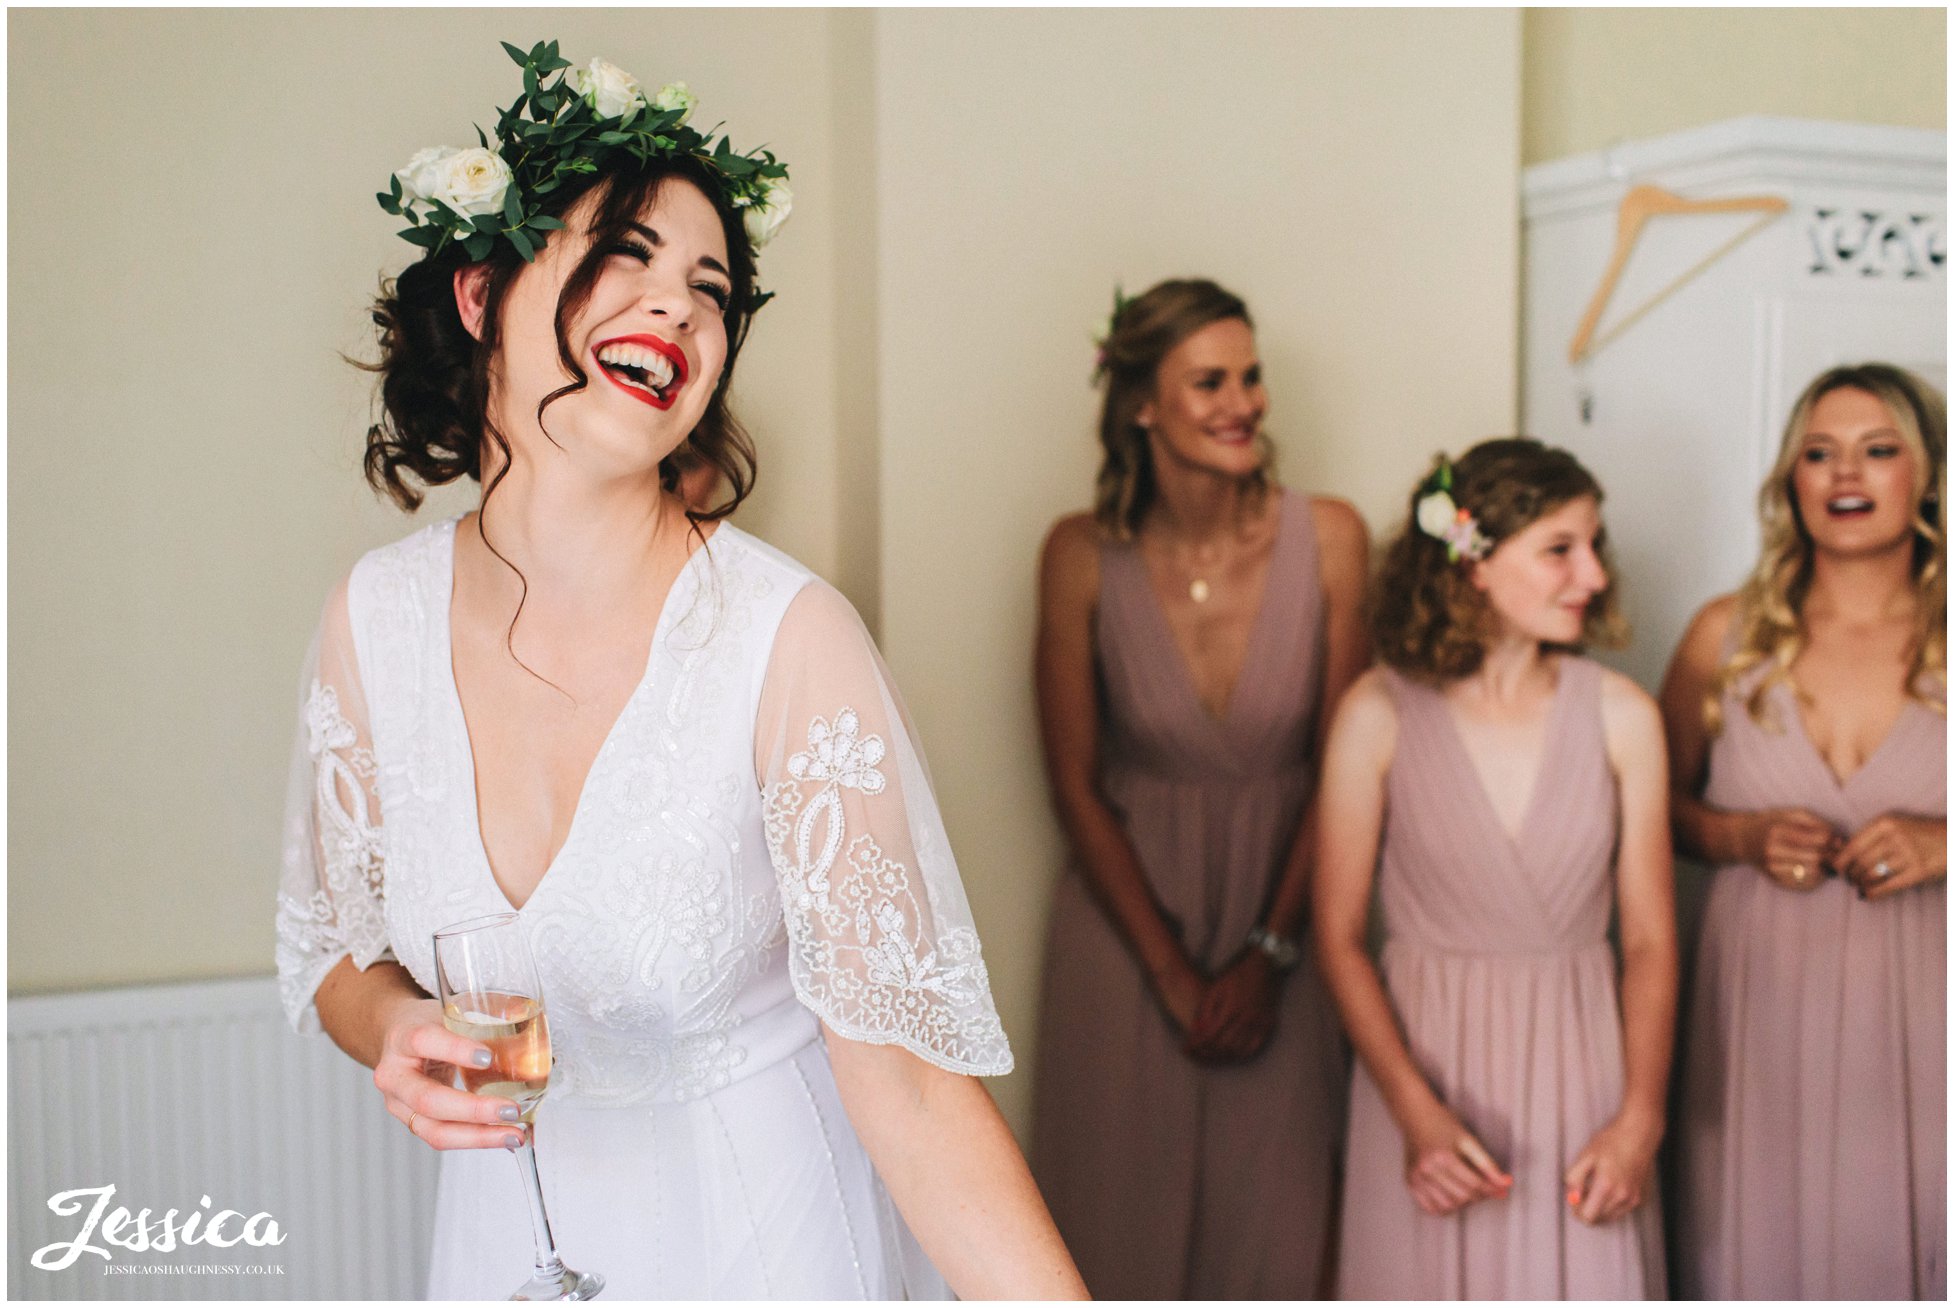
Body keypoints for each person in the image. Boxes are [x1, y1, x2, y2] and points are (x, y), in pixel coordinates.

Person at [273, 43, 1085, 1300]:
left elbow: (916, 1093)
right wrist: (393, 1030)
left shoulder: (788, 639)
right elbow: (335, 948)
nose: (679, 308)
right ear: (484, 294)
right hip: (502, 1245)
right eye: (624, 257)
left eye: (711, 288)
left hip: (755, 1245)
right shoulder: (370, 622)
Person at [1030, 279, 1370, 1298]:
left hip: (1292, 917)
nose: (1244, 403)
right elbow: (1073, 783)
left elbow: (1343, 766)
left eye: (1251, 377)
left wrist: (1267, 956)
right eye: (1209, 381)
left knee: (1283, 1227)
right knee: (1111, 1227)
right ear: (1142, 405)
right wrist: (1173, 974)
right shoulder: (1079, 554)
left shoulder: (1335, 537)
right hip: (1126, 933)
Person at [1314, 438, 1673, 1298]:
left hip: (1585, 1083)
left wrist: (1640, 1120)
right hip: (1425, 1084)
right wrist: (1415, 1114)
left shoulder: (1624, 717)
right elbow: (1337, 936)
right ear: (1471, 562)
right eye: (1560, 549)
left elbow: (1654, 940)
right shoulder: (1376, 712)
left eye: (1594, 546)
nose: (1591, 575)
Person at [1663, 364, 1946, 1299]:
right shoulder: (1724, 636)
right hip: (1757, 1004)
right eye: (1817, 454)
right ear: (1792, 481)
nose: (1843, 475)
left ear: (1928, 474)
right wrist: (1741, 841)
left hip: (1927, 1007)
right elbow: (1652, 814)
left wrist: (1947, 844)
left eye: (1877, 450)